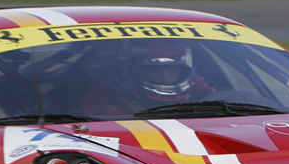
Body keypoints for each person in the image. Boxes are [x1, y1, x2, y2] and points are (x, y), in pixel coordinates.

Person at [82, 41, 212, 117]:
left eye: (173, 70)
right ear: (135, 72)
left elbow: (220, 96)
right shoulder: (109, 106)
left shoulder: (205, 96)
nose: (166, 79)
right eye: (155, 70)